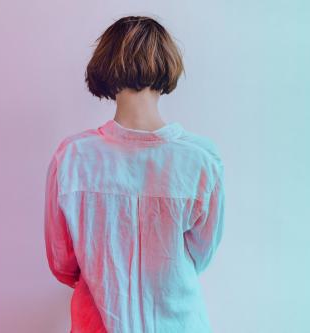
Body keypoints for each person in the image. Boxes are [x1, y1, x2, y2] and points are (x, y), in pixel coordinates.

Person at [44, 15, 225, 333]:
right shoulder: (201, 159)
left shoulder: (72, 157)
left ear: (105, 67)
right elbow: (200, 255)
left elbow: (62, 262)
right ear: (167, 64)